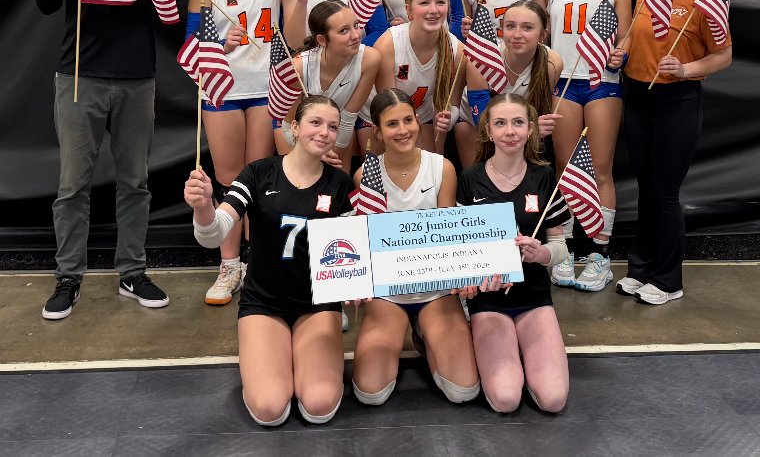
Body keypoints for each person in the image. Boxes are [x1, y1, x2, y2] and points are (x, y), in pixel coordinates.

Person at [35, 0, 180, 320]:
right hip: (80, 75)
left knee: (135, 182)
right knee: (73, 186)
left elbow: (167, 9)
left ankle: (132, 271)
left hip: (138, 76)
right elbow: (44, 3)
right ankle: (68, 277)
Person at [184, 96, 354, 426]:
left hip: (317, 305)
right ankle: (272, 356)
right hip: (264, 303)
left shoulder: (340, 183)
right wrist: (203, 208)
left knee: (319, 405)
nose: (324, 132)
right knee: (269, 408)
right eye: (315, 122)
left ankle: (300, 358)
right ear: (295, 128)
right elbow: (213, 235)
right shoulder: (259, 173)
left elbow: (352, 252)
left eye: (333, 127)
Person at [616, 0, 732, 305]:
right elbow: (635, 42)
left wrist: (685, 69)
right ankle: (640, 269)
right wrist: (620, 53)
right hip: (638, 100)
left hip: (677, 102)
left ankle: (668, 280)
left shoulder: (703, 0)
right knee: (646, 191)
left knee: (664, 195)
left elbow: (723, 56)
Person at [351, 89, 480, 406]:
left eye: (408, 120)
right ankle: (402, 329)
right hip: (388, 293)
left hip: (435, 290)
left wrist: (465, 273)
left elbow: (451, 235)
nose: (403, 130)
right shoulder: (365, 176)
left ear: (418, 121)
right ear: (377, 132)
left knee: (463, 390)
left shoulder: (441, 168)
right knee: (371, 393)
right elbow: (364, 241)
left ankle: (426, 331)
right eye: (391, 124)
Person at [188, 0, 283, 306]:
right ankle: (229, 266)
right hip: (223, 90)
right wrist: (218, 46)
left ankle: (257, 265)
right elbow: (192, 44)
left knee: (258, 182)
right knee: (229, 180)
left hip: (264, 89)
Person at [457, 93, 571, 413]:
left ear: (531, 129)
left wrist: (540, 254)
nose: (510, 131)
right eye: (501, 123)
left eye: (518, 122)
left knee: (553, 399)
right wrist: (475, 278)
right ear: (488, 131)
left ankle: (527, 354)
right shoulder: (469, 179)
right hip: (489, 301)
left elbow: (560, 248)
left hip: (534, 298)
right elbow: (459, 251)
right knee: (505, 399)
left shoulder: (544, 176)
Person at [543, 0, 632, 293]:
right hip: (562, 82)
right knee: (566, 170)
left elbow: (626, 36)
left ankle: (600, 254)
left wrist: (620, 54)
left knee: (600, 170)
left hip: (600, 83)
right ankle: (563, 251)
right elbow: (541, 32)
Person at [358, 0, 465, 154]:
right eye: (424, 3)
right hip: (378, 119)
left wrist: (449, 119)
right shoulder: (389, 44)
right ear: (409, 10)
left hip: (421, 118)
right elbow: (387, 107)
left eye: (440, 2)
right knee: (384, 168)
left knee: (434, 167)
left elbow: (452, 103)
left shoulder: (457, 50)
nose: (433, 10)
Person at [455, 0, 563, 168]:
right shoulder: (483, 57)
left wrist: (533, 129)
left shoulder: (552, 63)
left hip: (517, 128)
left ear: (543, 35)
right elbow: (482, 120)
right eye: (510, 26)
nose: (517, 34)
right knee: (480, 177)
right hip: (473, 122)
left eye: (527, 27)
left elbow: (536, 109)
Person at [276, 0, 380, 173]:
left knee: (336, 181)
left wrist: (328, 152)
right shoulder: (298, 69)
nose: (356, 35)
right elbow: (289, 127)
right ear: (322, 40)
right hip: (298, 132)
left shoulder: (370, 59)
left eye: (356, 25)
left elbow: (347, 119)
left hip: (338, 129)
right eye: (344, 30)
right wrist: (315, 152)